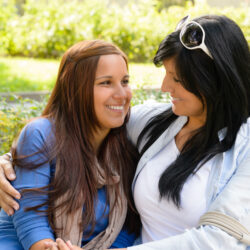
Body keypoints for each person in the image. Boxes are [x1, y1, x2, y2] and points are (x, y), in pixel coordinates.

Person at [1, 14, 250, 250]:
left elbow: (220, 240)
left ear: (214, 80)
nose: (164, 87)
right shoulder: (156, 122)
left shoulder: (245, 146)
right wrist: (12, 162)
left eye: (177, 78)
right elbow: (72, 128)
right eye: (166, 74)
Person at [0, 39, 140, 249]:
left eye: (125, 81)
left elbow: (128, 228)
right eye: (106, 82)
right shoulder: (41, 134)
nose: (121, 94)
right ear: (76, 89)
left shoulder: (126, 143)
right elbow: (30, 220)